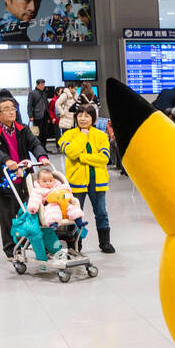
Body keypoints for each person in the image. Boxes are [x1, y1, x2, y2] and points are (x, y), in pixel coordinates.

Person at [0, 97, 49, 258]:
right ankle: (10, 249)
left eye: (13, 107)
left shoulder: (22, 129)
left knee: (29, 212)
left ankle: (30, 243)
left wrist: (41, 157)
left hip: (23, 180)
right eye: (6, 109)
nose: (12, 111)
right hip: (4, 181)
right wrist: (7, 160)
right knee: (7, 216)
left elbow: (34, 144)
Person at [59, 103, 115, 253]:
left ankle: (105, 243)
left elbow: (104, 158)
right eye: (80, 115)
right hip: (76, 181)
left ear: (93, 118)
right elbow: (71, 152)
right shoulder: (67, 135)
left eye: (87, 115)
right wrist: (83, 136)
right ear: (76, 117)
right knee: (74, 213)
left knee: (101, 212)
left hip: (97, 181)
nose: (83, 118)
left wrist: (81, 157)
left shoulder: (101, 135)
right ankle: (75, 245)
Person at [27, 78, 50, 149]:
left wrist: (49, 116)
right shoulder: (32, 93)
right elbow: (29, 105)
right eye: (41, 84)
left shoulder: (44, 93)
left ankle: (44, 147)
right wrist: (30, 116)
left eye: (43, 84)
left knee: (45, 133)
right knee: (38, 133)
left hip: (45, 116)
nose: (43, 86)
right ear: (37, 85)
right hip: (37, 116)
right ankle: (39, 147)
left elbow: (46, 105)